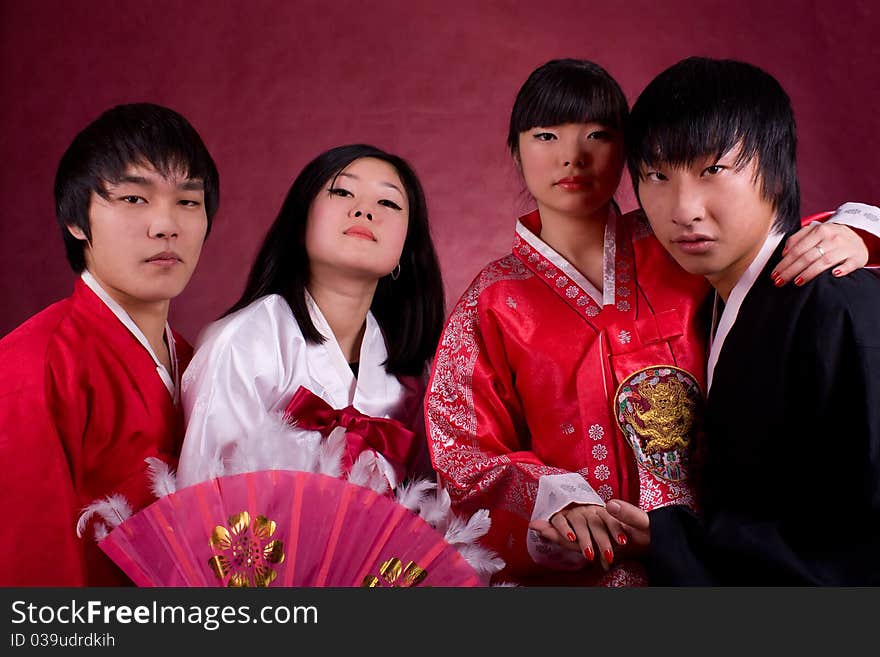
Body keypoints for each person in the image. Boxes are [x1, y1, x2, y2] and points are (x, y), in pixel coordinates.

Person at [425, 59, 879, 586]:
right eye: (545, 135)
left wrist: (859, 230)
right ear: (515, 149)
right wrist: (551, 497)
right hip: (603, 572)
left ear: (623, 153)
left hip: (730, 564)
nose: (572, 156)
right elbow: (462, 448)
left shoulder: (681, 254)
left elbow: (779, 247)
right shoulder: (493, 301)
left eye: (598, 134)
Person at [606, 57, 880, 585]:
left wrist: (671, 540)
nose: (683, 208)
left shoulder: (834, 301)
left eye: (713, 170)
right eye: (657, 176)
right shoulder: (704, 303)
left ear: (776, 169)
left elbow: (856, 538)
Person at [0, 103, 219, 585]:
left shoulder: (200, 361)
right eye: (134, 199)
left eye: (188, 201)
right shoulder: (33, 366)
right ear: (77, 222)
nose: (166, 225)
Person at [177, 144, 445, 492]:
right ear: (301, 222)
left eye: (388, 203)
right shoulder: (244, 341)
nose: (364, 210)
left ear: (405, 251)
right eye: (343, 191)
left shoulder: (412, 378)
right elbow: (204, 503)